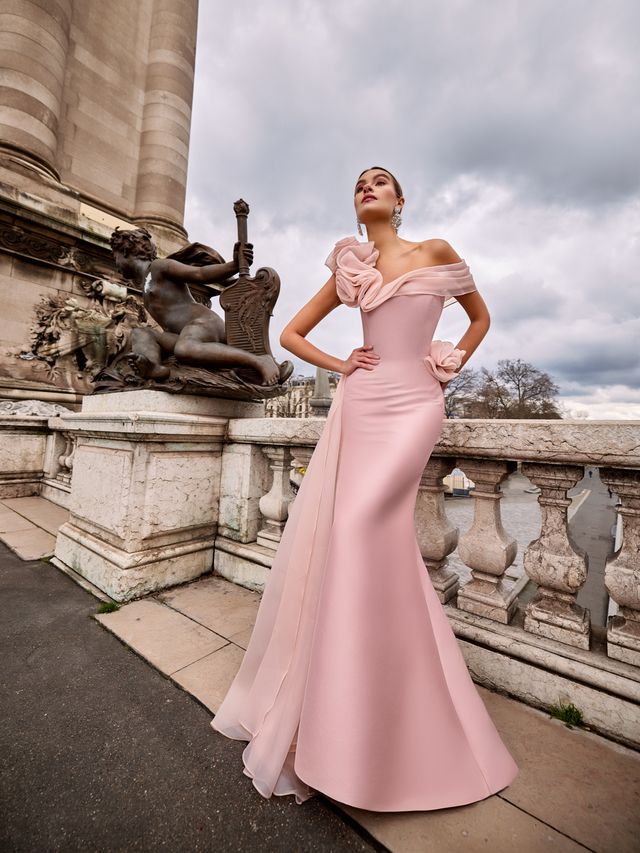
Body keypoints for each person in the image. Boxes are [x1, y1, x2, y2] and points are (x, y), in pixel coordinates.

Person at [210, 166, 519, 811]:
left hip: (415, 405)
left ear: (400, 201)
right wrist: (341, 363)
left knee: (357, 527)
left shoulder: (435, 251)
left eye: (380, 182)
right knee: (361, 541)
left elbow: (480, 317)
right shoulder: (352, 264)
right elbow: (292, 333)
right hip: (364, 401)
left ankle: (387, 714)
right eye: (359, 183)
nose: (368, 187)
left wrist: (449, 360)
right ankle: (351, 714)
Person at [110, 228, 283, 386]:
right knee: (141, 333)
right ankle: (154, 367)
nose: (115, 264)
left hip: (203, 323)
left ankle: (259, 361)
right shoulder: (144, 285)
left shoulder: (159, 267)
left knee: (184, 349)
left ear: (125, 251)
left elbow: (200, 273)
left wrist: (233, 265)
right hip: (184, 334)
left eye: (114, 257)